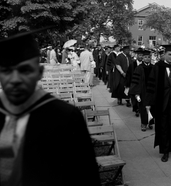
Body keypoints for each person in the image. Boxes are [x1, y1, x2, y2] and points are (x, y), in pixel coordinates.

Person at [0, 30, 100, 185]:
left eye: (25, 70)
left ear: (39, 72)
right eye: (6, 71)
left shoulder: (66, 117)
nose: (15, 79)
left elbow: (85, 178)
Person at [146, 45, 171, 162]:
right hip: (161, 103)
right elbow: (151, 86)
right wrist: (148, 103)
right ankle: (165, 151)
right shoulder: (157, 67)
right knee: (163, 126)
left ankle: (170, 144)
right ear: (164, 54)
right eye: (170, 54)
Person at [129, 49, 154, 131]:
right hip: (142, 91)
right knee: (143, 108)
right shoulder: (139, 68)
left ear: (151, 58)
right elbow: (135, 81)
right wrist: (136, 93)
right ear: (143, 58)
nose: (147, 59)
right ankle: (143, 123)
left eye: (148, 57)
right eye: (145, 57)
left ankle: (150, 122)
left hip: (152, 92)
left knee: (152, 107)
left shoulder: (154, 68)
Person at [128, 48, 144, 117]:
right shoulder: (132, 64)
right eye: (139, 55)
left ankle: (139, 109)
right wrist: (127, 85)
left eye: (142, 55)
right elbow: (128, 75)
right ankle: (136, 109)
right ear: (137, 56)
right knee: (134, 99)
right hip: (134, 84)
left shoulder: (145, 65)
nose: (140, 57)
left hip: (142, 85)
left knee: (140, 98)